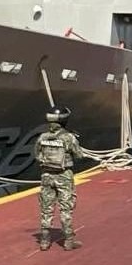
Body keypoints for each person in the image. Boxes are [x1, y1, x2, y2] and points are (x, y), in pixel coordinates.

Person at [34, 106, 86, 251]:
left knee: (46, 208)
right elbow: (79, 155)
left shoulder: (42, 137)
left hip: (46, 176)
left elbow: (37, 156)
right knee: (65, 208)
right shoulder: (69, 138)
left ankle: (44, 241)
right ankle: (69, 240)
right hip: (64, 176)